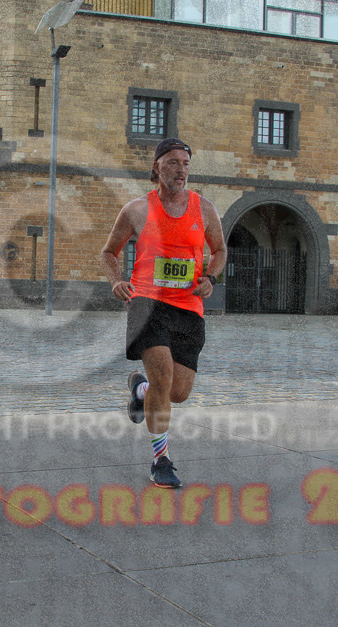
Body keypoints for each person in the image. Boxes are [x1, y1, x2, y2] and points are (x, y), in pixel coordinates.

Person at [100, 138, 227, 489]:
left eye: (186, 163)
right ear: (157, 167)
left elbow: (219, 250)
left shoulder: (204, 209)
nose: (181, 169)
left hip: (189, 308)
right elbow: (109, 252)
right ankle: (161, 459)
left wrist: (211, 277)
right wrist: (116, 282)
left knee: (178, 391)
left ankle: (141, 391)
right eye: (173, 162)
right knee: (164, 376)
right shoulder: (137, 210)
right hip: (148, 305)